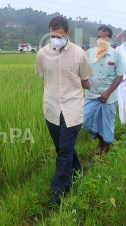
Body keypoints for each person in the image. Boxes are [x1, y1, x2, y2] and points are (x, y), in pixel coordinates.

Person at [35, 15, 94, 207]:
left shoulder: (79, 54)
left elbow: (85, 79)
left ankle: (59, 192)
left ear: (67, 34)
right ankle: (77, 171)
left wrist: (88, 85)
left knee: (64, 152)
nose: (55, 39)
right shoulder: (43, 54)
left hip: (72, 108)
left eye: (59, 35)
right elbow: (45, 78)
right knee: (62, 149)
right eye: (52, 35)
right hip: (52, 109)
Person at [83, 25, 126, 157]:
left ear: (110, 38)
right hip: (91, 94)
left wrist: (107, 93)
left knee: (107, 124)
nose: (102, 39)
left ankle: (106, 146)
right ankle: (101, 140)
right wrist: (83, 81)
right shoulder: (89, 53)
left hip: (109, 97)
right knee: (86, 121)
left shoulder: (116, 54)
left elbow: (120, 76)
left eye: (105, 37)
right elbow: (82, 70)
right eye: (99, 36)